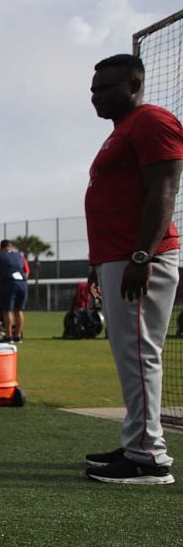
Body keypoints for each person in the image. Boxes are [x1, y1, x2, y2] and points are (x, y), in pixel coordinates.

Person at [83, 54, 183, 485]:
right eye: (93, 89)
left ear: (135, 83)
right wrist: (98, 263)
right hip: (118, 256)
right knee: (132, 357)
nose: (95, 97)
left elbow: (165, 188)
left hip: (140, 257)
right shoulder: (122, 131)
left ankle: (148, 457)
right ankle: (136, 442)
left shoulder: (152, 121)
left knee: (140, 356)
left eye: (106, 88)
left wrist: (142, 255)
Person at [0, 240, 29, 341]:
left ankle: (8, 335)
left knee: (7, 310)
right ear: (11, 247)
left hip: (8, 282)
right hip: (22, 283)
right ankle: (18, 336)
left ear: (1, 247)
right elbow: (27, 271)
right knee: (19, 310)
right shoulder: (20, 256)